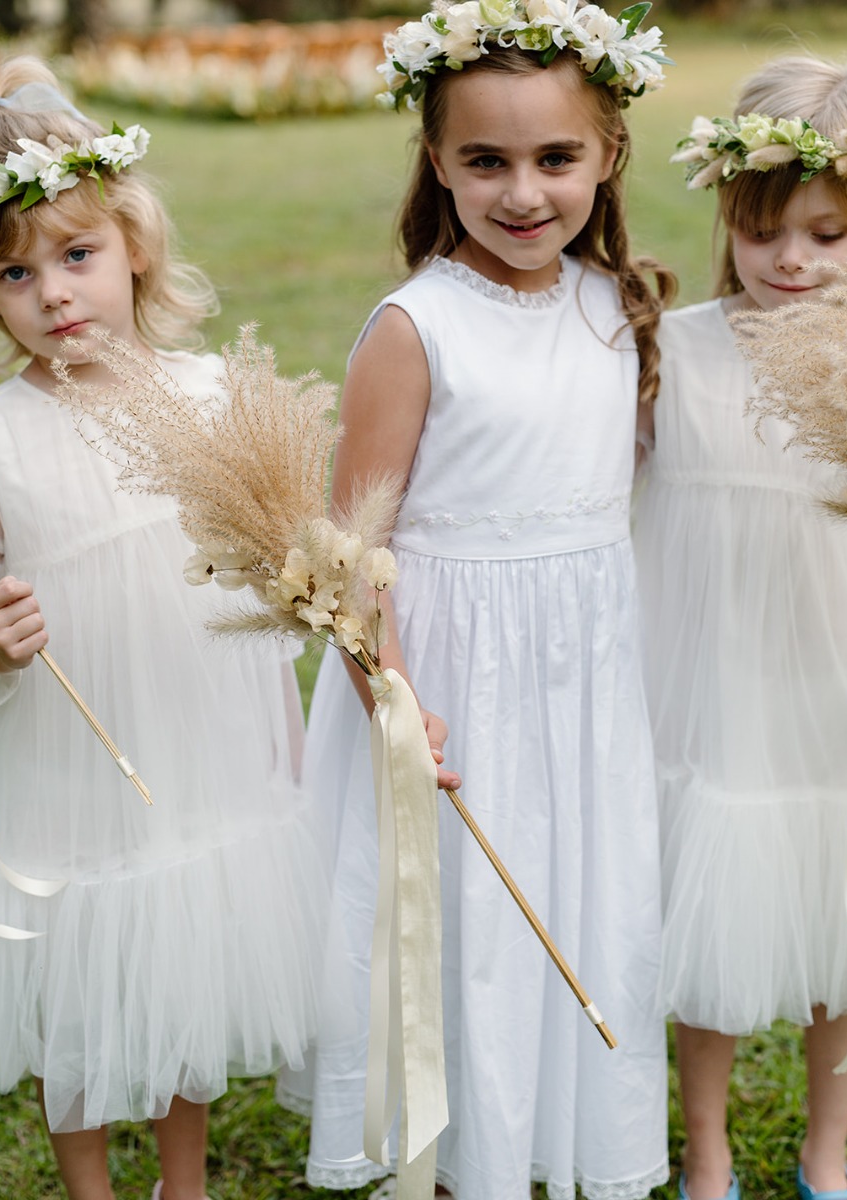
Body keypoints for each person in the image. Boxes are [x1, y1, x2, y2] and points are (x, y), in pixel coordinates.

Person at [287, 4, 676, 1198]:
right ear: (437, 162)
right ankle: (459, 1163)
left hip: (584, 682)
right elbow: (355, 548)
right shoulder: (415, 328)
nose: (523, 192)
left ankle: (554, 1136)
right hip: (453, 673)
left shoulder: (620, 307)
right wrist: (393, 696)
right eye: (485, 161)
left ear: (607, 153)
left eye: (555, 158)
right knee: (463, 932)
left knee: (574, 903)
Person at [0, 50, 332, 1200]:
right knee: (88, 970)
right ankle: (89, 1185)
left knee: (190, 953)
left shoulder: (216, 392)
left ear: (136, 248)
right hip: (75, 760)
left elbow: (269, 569)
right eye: (16, 276)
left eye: (77, 257)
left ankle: (185, 1177)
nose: (55, 295)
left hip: (204, 740)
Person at [633, 55, 847, 1200]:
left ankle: (829, 1146)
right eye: (767, 230)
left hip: (832, 689)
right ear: (727, 209)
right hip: (711, 684)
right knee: (709, 920)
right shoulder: (674, 349)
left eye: (828, 234)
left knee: (839, 918)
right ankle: (708, 1150)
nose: (793, 261)